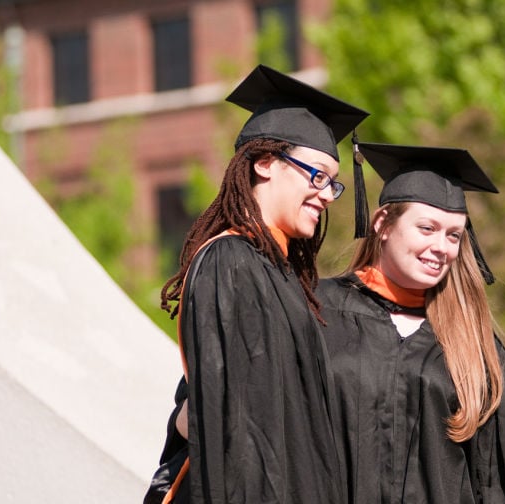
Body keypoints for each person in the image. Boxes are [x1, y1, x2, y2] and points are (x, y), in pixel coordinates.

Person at [144, 64, 369, 504]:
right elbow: (240, 428)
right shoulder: (230, 261)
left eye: (333, 184)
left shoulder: (284, 276)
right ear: (265, 162)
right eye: (316, 175)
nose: (326, 195)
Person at [316, 142, 505, 503]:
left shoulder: (477, 347)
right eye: (427, 228)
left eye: (454, 234)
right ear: (382, 225)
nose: (442, 246)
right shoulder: (319, 312)